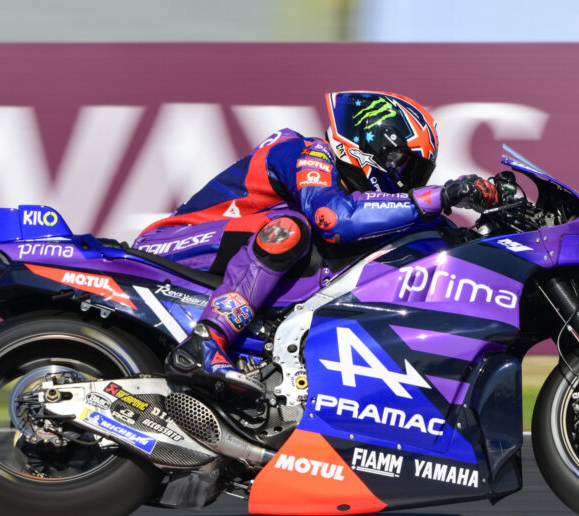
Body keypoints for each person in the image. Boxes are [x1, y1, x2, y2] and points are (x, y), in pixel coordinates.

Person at [133, 91, 500, 400]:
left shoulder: (345, 184)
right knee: (291, 228)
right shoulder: (307, 152)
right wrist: (441, 195)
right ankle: (205, 343)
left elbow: (391, 217)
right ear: (371, 143)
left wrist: (474, 233)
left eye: (416, 174)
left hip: (228, 251)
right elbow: (333, 219)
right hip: (171, 245)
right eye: (403, 165)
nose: (405, 180)